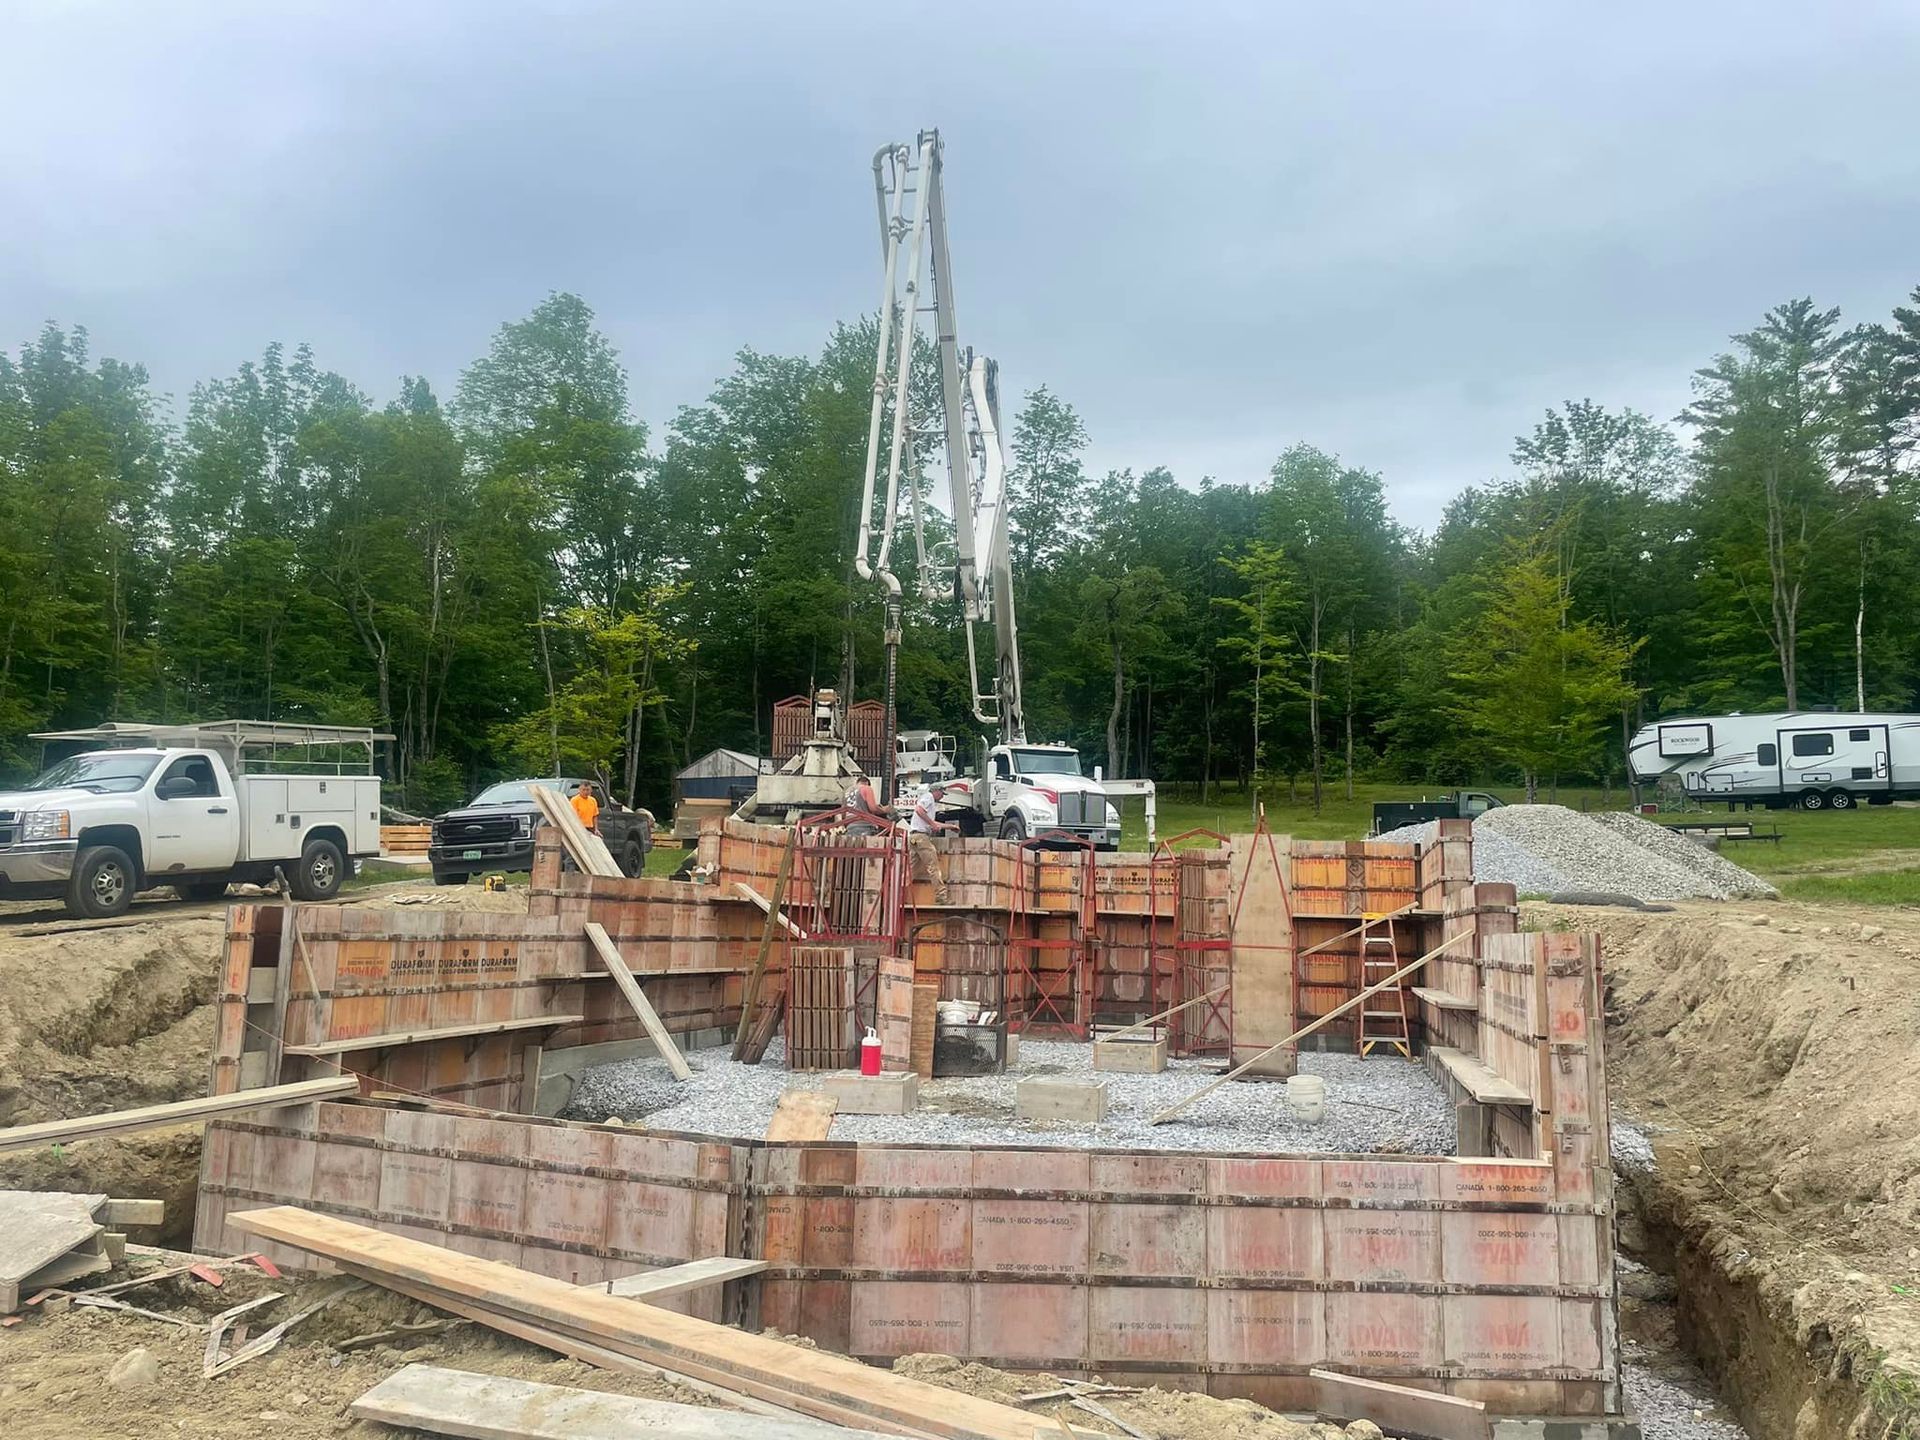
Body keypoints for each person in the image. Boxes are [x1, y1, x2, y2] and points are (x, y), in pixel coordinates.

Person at [907, 782, 955, 905]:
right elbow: (919, 810)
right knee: (933, 866)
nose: (942, 797)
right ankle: (941, 896)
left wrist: (950, 826)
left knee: (911, 871)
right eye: (942, 794)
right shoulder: (928, 797)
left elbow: (931, 822)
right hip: (922, 838)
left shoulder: (929, 802)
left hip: (914, 837)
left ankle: (897, 893)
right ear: (937, 791)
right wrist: (933, 824)